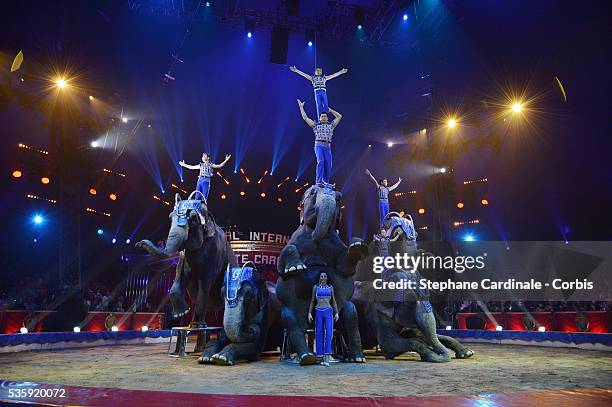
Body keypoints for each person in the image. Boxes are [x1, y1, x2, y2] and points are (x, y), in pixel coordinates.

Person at [298, 99, 342, 185]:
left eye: (325, 116)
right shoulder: (316, 125)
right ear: (319, 118)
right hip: (319, 145)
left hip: (328, 147)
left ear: (327, 118)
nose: (323, 117)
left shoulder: (331, 125)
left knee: (328, 165)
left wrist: (330, 110)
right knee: (321, 161)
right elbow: (305, 118)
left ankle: (325, 182)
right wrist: (301, 107)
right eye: (322, 116)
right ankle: (319, 181)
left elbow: (339, 116)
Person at [308, 272, 339, 366]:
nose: (323, 278)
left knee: (329, 332)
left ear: (327, 278)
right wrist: (309, 313)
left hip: (328, 311)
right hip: (318, 311)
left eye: (325, 276)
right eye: (321, 276)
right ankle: (320, 355)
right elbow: (312, 301)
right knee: (319, 333)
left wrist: (336, 312)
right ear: (319, 278)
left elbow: (333, 300)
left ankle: (328, 355)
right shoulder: (315, 288)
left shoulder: (330, 288)